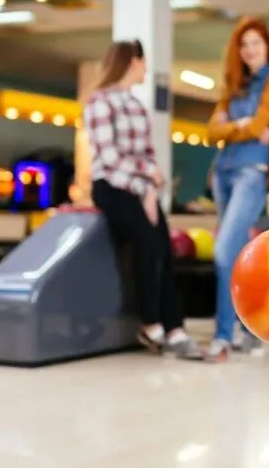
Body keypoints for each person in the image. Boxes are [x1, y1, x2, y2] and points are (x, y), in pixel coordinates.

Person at [82, 39, 203, 360]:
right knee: (147, 246)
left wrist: (151, 188)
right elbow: (109, 157)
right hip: (112, 186)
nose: (147, 69)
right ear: (133, 61)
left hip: (141, 190)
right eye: (144, 61)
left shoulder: (137, 106)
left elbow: (148, 155)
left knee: (164, 248)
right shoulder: (99, 102)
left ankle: (175, 329)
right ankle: (151, 325)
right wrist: (144, 186)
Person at [205, 17, 269, 361]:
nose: (250, 50)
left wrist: (234, 125)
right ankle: (251, 330)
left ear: (267, 47)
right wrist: (243, 127)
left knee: (224, 251)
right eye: (244, 45)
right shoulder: (234, 86)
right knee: (241, 257)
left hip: (252, 174)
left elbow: (257, 124)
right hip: (223, 174)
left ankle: (223, 336)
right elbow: (211, 133)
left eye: (256, 43)